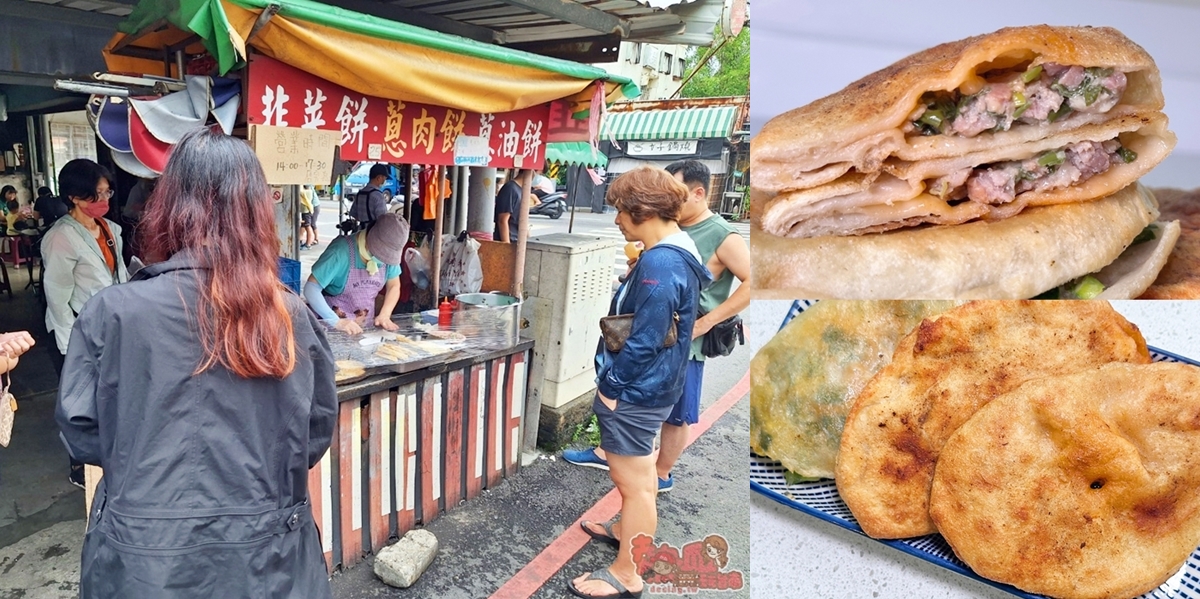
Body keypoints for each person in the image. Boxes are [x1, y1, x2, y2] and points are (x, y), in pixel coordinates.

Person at [55, 128, 337, 598]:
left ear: (170, 208)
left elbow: (82, 433)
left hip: (142, 559)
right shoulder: (289, 315)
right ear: (256, 212)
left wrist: (143, 457)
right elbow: (314, 432)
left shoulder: (113, 312)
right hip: (267, 560)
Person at [564, 160, 752, 493]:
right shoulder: (673, 236)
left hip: (681, 340)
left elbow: (754, 282)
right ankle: (621, 458)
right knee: (641, 437)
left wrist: (705, 323)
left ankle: (661, 472)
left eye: (675, 191)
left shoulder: (721, 234)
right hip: (659, 333)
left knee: (676, 414)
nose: (671, 201)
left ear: (697, 193)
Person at [568, 166, 710, 599]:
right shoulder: (678, 250)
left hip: (637, 390)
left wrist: (610, 387)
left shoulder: (660, 261)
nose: (616, 219)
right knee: (642, 478)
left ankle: (628, 572)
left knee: (635, 486)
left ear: (642, 211)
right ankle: (627, 532)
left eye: (621, 211)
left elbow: (645, 340)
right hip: (658, 386)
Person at [41, 159, 129, 489]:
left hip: (109, 326)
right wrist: (68, 346)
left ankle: (109, 458)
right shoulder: (62, 238)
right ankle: (79, 466)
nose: (103, 201)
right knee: (80, 400)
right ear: (75, 197)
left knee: (109, 395)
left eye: (107, 192)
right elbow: (57, 296)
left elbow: (117, 274)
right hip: (76, 330)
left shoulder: (109, 229)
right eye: (95, 195)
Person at [303, 212, 408, 335]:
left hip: (363, 329)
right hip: (331, 329)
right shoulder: (340, 251)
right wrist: (336, 321)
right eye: (382, 252)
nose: (385, 258)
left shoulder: (390, 255)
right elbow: (311, 288)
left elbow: (394, 286)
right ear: (371, 235)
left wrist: (385, 314)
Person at [350, 164, 390, 230]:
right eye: (384, 179)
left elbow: (354, 214)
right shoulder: (378, 195)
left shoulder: (360, 193)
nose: (384, 182)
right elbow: (382, 219)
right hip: (373, 232)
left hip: (360, 232)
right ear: (379, 178)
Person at [494, 169, 527, 243]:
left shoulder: (522, 189)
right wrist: (506, 246)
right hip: (509, 239)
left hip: (517, 240)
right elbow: (502, 220)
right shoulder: (510, 189)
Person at [299, 184, 316, 249]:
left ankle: (308, 244)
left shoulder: (306, 192)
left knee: (307, 226)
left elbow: (300, 191)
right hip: (306, 211)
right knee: (304, 225)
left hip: (306, 212)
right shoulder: (309, 191)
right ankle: (301, 240)